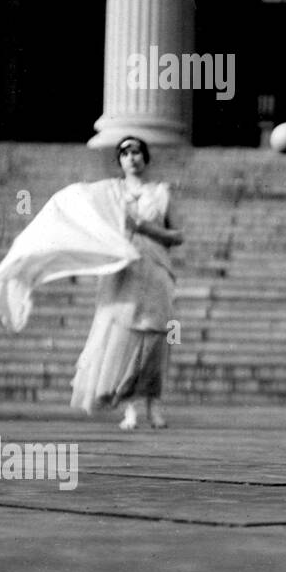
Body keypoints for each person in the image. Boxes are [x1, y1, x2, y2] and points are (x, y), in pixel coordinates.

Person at [71, 137, 183, 429]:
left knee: (156, 335)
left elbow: (177, 236)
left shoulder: (161, 193)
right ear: (119, 160)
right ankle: (131, 405)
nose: (132, 158)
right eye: (125, 153)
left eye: (137, 152)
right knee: (125, 338)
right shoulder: (111, 193)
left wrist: (142, 227)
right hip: (124, 270)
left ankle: (155, 403)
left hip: (155, 267)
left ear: (145, 158)